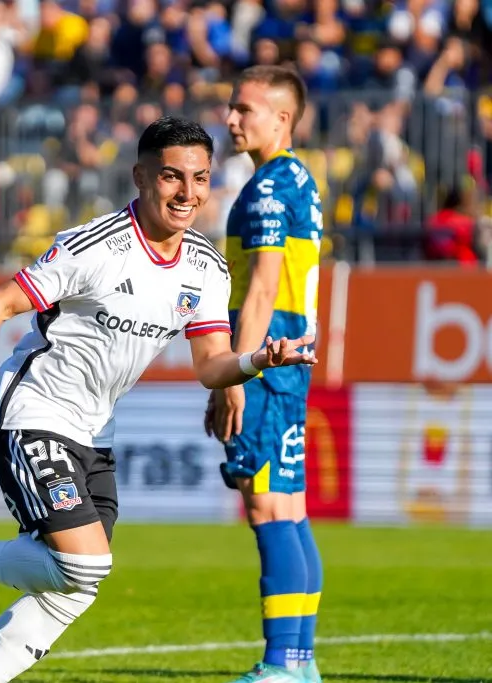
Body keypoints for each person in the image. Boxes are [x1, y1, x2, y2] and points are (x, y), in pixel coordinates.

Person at [0, 116, 317, 683]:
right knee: (86, 563)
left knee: (76, 586)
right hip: (32, 413)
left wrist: (258, 361)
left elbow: (210, 367)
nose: (188, 193)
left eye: (200, 179)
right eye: (172, 177)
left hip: (94, 431)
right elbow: (0, 303)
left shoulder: (206, 266)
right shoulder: (95, 246)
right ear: (141, 177)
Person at [205, 65, 325, 683]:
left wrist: (235, 376)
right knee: (291, 508)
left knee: (268, 508)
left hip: (270, 362)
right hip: (287, 358)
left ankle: (283, 663)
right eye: (231, 107)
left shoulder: (271, 189)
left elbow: (265, 289)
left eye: (244, 109)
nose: (231, 118)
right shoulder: (296, 179)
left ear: (282, 118)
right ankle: (299, 663)